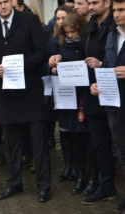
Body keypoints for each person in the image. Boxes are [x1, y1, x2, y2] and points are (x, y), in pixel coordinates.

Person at [0, 0, 51, 203]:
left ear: (12, 2)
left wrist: (19, 65)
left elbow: (42, 53)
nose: (2, 6)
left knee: (38, 144)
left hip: (30, 93)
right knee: (11, 144)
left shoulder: (29, 20)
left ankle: (44, 186)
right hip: (6, 95)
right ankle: (14, 183)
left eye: (5, 1)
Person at [49, 13, 98, 196]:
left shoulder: (86, 43)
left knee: (89, 141)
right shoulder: (61, 45)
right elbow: (53, 68)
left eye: (73, 32)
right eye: (67, 32)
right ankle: (80, 176)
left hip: (85, 99)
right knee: (75, 139)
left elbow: (86, 67)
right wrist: (53, 67)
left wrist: (64, 63)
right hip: (68, 98)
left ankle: (93, 178)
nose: (70, 35)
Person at [90, 0, 125, 211]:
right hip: (114, 104)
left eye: (122, 10)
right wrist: (98, 83)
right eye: (115, 10)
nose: (117, 14)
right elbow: (108, 66)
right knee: (121, 152)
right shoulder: (113, 35)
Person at [49, 6, 76, 183]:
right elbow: (47, 61)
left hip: (76, 88)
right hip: (61, 89)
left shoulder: (76, 38)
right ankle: (68, 165)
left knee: (77, 129)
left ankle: (78, 166)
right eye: (57, 19)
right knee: (64, 127)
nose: (60, 22)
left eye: (63, 18)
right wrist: (51, 66)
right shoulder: (53, 40)